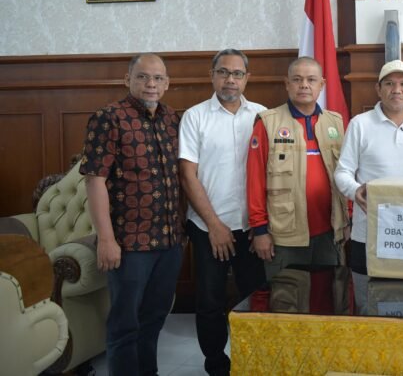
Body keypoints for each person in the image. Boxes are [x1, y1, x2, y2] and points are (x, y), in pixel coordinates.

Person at [80, 53, 183, 376]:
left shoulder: (171, 118)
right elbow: (94, 180)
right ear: (128, 80)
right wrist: (106, 240)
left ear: (166, 84)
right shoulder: (108, 118)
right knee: (125, 325)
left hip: (169, 241)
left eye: (157, 78)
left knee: (154, 320)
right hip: (129, 243)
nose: (150, 84)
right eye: (142, 77)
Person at [179, 49, 267, 376]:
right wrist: (214, 225)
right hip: (207, 227)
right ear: (212, 74)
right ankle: (216, 365)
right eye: (223, 72)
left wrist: (262, 227)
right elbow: (188, 176)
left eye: (237, 73)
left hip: (251, 227)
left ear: (247, 78)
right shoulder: (195, 116)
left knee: (255, 300)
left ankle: (253, 364)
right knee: (210, 303)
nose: (230, 79)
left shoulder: (261, 116)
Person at [334, 59, 403, 274]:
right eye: (389, 84)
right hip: (369, 232)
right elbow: (342, 172)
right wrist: (355, 191)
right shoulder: (360, 124)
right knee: (367, 299)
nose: (397, 90)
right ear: (379, 89)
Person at [246, 57, 349, 280]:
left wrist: (347, 219)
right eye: (297, 79)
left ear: (321, 84)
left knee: (326, 304)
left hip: (330, 234)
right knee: (287, 303)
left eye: (311, 80)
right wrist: (260, 230)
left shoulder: (336, 122)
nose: (304, 85)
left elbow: (347, 174)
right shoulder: (268, 123)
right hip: (284, 235)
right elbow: (255, 180)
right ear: (287, 83)